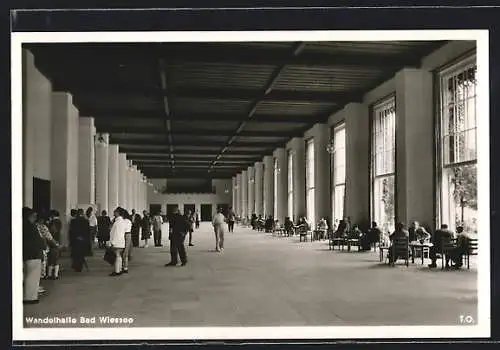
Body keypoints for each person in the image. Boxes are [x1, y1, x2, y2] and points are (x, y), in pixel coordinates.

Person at [23, 207, 45, 304]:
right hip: (34, 254)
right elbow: (38, 240)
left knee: (27, 275)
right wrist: (43, 246)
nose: (35, 218)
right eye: (34, 216)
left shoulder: (21, 225)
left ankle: (27, 295)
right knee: (33, 276)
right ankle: (30, 297)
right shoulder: (31, 227)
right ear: (30, 216)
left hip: (26, 254)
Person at [108, 207, 127, 276]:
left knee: (117, 256)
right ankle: (119, 269)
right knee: (119, 256)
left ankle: (117, 271)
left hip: (116, 241)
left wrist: (112, 243)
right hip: (121, 241)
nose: (113, 213)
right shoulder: (123, 222)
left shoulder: (117, 222)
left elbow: (115, 233)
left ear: (118, 213)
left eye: (115, 212)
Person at [47, 210, 63, 279]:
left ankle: (50, 274)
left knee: (51, 258)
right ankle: (55, 274)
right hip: (57, 240)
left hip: (52, 240)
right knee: (56, 258)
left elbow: (52, 231)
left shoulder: (52, 222)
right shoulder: (59, 222)